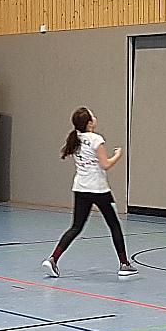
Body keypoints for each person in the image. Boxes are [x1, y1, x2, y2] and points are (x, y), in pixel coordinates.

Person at [42, 107, 138, 278]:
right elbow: (105, 165)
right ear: (89, 123)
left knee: (76, 227)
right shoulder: (96, 139)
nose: (95, 117)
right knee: (114, 225)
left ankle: (53, 259)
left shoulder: (75, 139)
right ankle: (124, 264)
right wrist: (118, 155)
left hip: (80, 189)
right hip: (99, 190)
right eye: (92, 116)